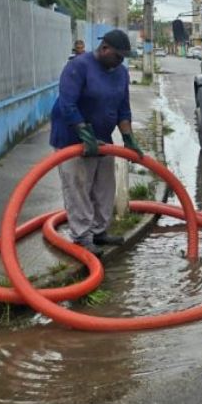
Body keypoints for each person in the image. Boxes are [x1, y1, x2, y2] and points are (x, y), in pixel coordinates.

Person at [50, 29, 144, 256]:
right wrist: (84, 133)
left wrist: (128, 137)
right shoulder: (78, 67)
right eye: (117, 56)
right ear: (104, 49)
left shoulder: (120, 73)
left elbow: (123, 107)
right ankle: (82, 237)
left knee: (104, 187)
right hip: (72, 139)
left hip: (103, 139)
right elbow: (67, 104)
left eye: (123, 58)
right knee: (79, 188)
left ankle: (99, 232)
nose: (120, 61)